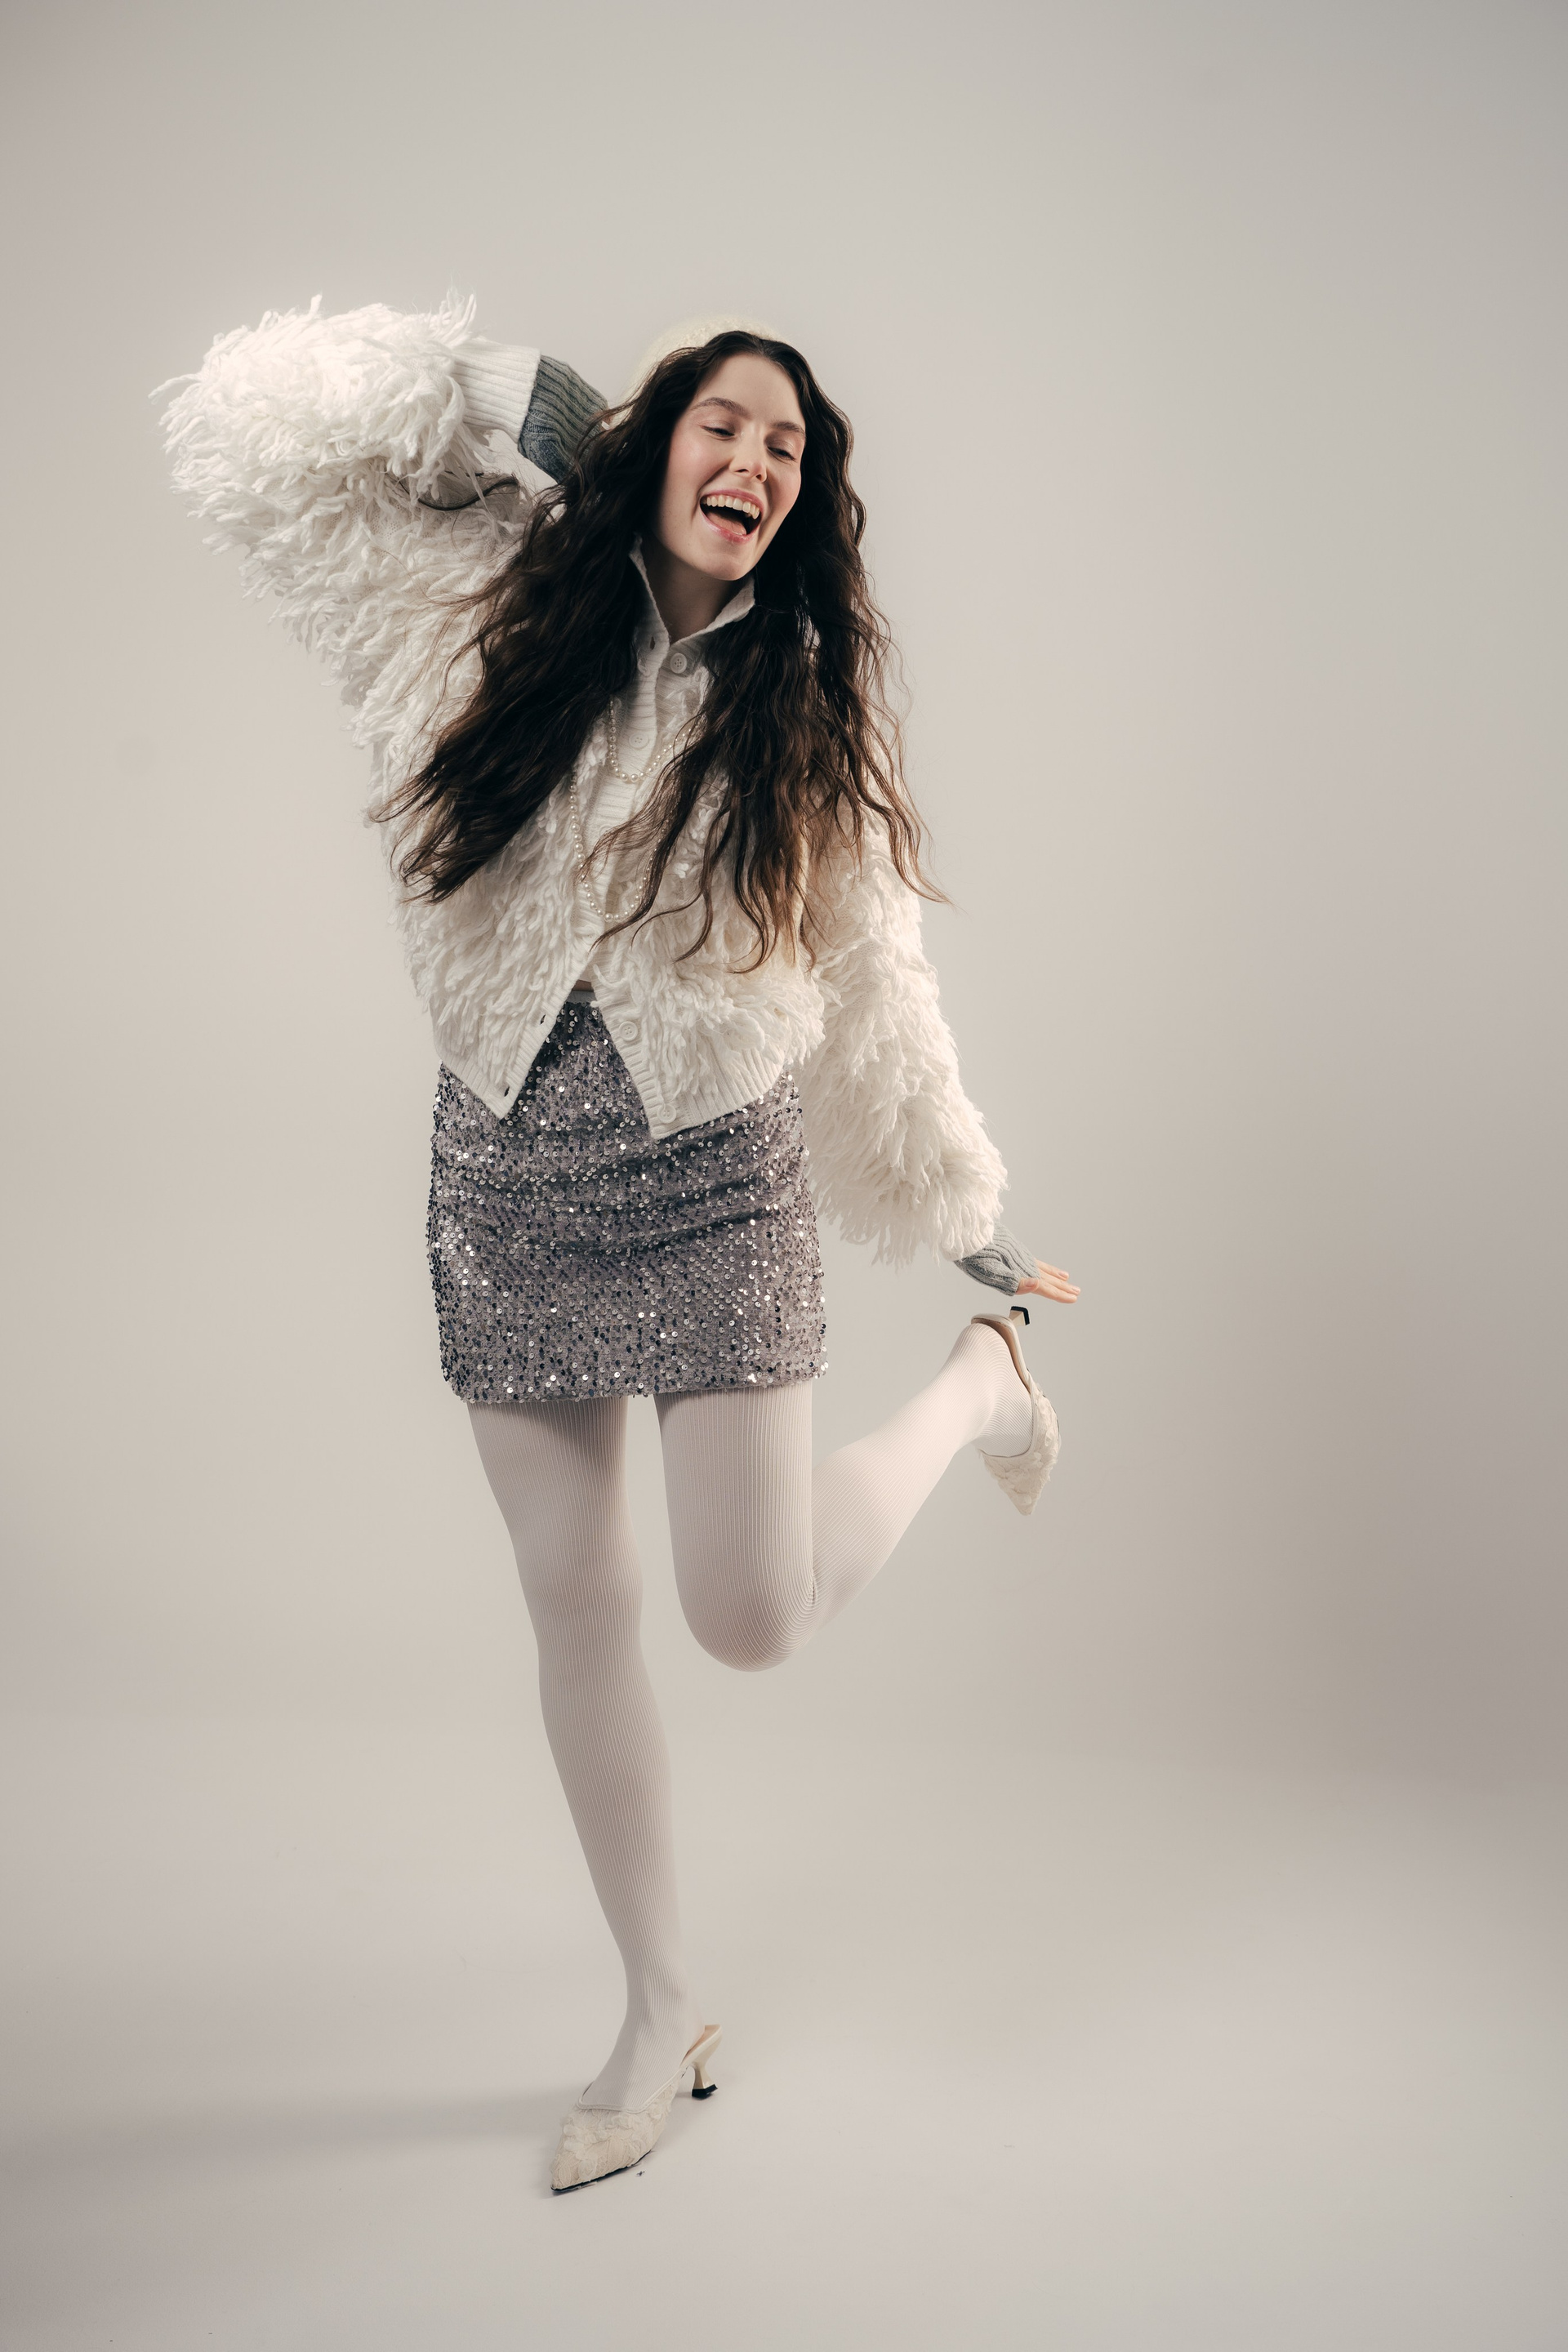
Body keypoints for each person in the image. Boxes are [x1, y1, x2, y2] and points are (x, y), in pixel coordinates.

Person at [163, 297, 1080, 2193]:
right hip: (505, 1179)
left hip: (715, 1176)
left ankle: (980, 1391)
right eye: (722, 424)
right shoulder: (467, 609)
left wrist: (964, 1215)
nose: (755, 462)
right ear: (650, 442)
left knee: (751, 1618)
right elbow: (254, 424)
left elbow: (877, 974)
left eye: (788, 450)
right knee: (575, 1594)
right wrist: (525, 400)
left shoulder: (798, 702)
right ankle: (661, 2010)